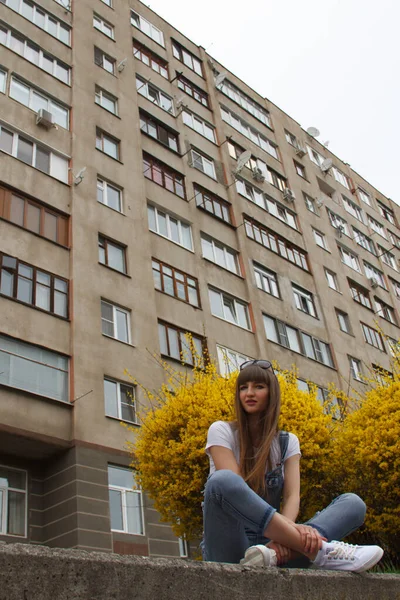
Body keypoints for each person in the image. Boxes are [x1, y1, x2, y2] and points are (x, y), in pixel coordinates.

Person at [202, 359, 384, 572]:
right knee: (221, 481)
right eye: (243, 387)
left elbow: (291, 497)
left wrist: (283, 541)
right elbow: (234, 489)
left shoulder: (287, 442)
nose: (249, 393)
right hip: (231, 543)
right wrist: (295, 534)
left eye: (258, 387)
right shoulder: (221, 431)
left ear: (272, 394)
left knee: (354, 504)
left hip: (275, 543)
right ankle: (319, 551)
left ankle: (273, 554)